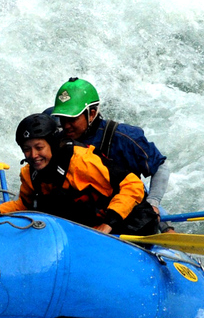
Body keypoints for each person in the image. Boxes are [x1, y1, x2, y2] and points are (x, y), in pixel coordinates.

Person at [0, 113, 159, 236]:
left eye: (39, 147)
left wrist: (108, 224)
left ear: (52, 144)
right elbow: (25, 204)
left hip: (128, 223)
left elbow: (133, 184)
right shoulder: (30, 174)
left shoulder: (82, 162)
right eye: (27, 149)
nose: (33, 155)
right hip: (89, 228)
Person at [49, 77, 174, 232]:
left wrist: (154, 203)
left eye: (72, 119)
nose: (66, 125)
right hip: (88, 209)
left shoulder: (123, 137)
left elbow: (160, 167)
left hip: (128, 204)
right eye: (63, 118)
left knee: (151, 215)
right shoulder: (58, 140)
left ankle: (166, 227)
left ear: (92, 113)